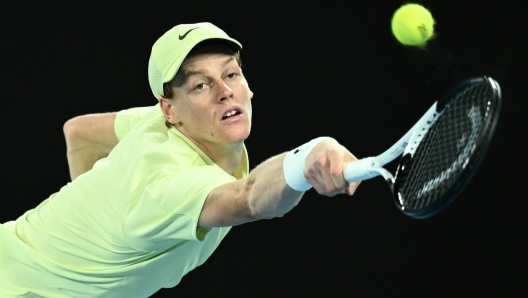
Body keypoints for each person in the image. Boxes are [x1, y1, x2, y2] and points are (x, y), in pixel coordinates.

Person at [0, 22, 360, 297]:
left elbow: (78, 131)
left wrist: (96, 219)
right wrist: (308, 157)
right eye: (200, 86)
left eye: (231, 74)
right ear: (170, 109)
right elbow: (248, 199)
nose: (225, 92)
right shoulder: (167, 189)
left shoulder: (155, 121)